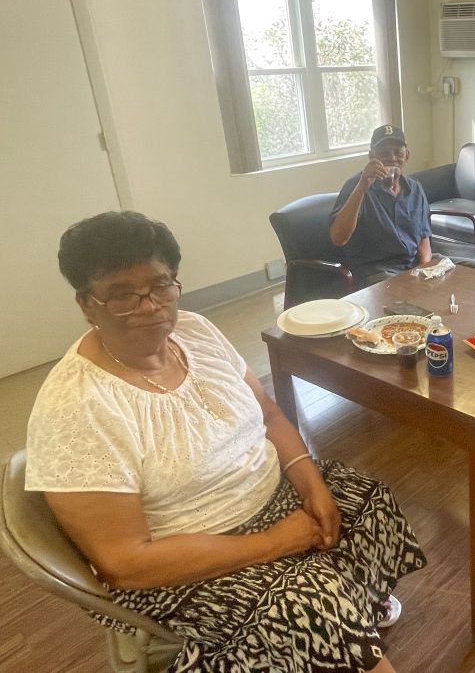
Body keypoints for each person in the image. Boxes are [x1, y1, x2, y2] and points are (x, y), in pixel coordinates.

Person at [26, 211, 425, 672]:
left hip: (265, 496)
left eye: (160, 285)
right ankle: (330, 631)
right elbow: (125, 563)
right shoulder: (77, 407)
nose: (150, 306)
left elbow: (269, 414)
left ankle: (350, 623)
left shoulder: (195, 330)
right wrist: (276, 542)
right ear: (87, 303)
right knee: (310, 605)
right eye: (122, 295)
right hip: (182, 554)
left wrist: (313, 487)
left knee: (367, 500)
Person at [329, 124, 475, 286]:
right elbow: (338, 237)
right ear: (371, 156)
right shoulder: (356, 186)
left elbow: (424, 237)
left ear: (407, 156)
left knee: (473, 268)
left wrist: (425, 267)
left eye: (398, 152)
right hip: (378, 270)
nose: (392, 158)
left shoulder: (414, 188)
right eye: (383, 153)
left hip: (412, 263)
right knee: (408, 289)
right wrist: (362, 186)